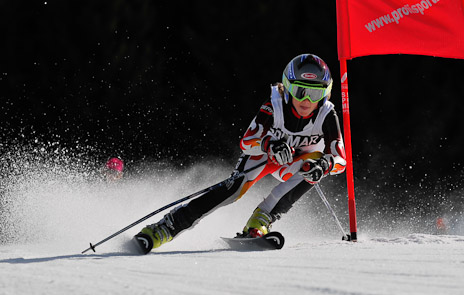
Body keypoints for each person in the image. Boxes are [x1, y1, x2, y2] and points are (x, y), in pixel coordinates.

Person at [133, 54, 347, 254]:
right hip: (265, 158)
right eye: (301, 91)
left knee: (315, 165)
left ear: (326, 93)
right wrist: (269, 145)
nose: (307, 100)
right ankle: (168, 226)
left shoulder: (327, 114)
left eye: (316, 93)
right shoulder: (274, 106)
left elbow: (340, 159)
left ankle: (260, 221)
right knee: (233, 189)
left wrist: (324, 167)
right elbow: (247, 142)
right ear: (289, 88)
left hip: (295, 165)